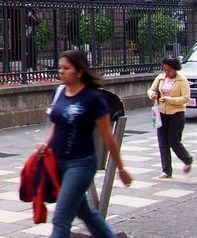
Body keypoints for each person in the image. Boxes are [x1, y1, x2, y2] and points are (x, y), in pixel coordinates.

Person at [37, 50, 132, 238]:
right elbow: (57, 123)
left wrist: (121, 169)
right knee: (86, 213)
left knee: (61, 218)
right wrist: (46, 144)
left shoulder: (92, 98)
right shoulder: (60, 92)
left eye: (67, 68)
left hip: (81, 163)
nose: (61, 72)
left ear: (79, 71)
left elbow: (108, 136)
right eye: (60, 68)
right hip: (59, 162)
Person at [148, 56, 193, 178]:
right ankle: (166, 170)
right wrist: (152, 94)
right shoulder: (160, 78)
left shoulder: (181, 80)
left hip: (176, 113)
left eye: (169, 70)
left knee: (174, 141)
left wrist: (169, 99)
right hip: (161, 112)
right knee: (162, 142)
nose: (167, 73)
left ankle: (187, 159)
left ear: (175, 69)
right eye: (165, 70)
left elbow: (185, 98)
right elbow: (151, 89)